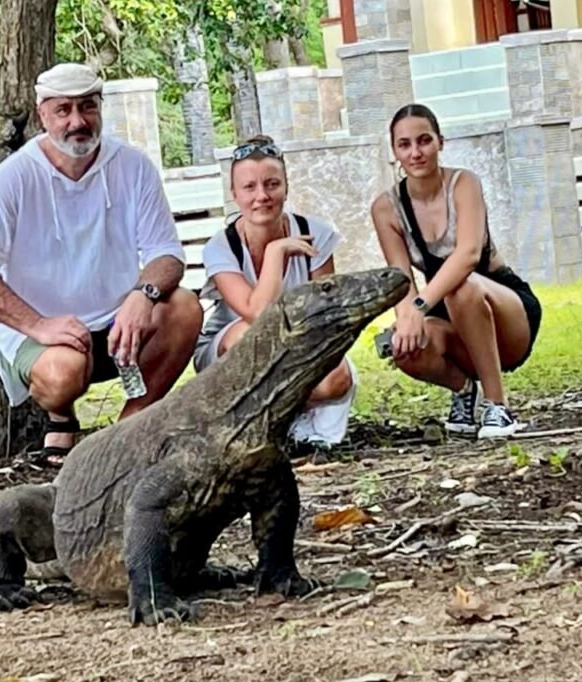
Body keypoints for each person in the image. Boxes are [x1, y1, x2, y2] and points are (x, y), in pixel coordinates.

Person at [0, 62, 202, 463]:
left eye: (88, 107)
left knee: (185, 308)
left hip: (120, 327)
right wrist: (38, 325)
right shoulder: (13, 178)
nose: (77, 121)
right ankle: (62, 420)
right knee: (63, 371)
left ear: (100, 108)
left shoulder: (132, 167)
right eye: (63, 110)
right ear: (41, 115)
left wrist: (143, 294)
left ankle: (125, 433)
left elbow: (166, 254)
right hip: (48, 337)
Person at [371, 103, 541, 439]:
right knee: (403, 345)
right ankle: (463, 391)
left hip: (503, 310)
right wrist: (406, 318)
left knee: (461, 286)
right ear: (394, 152)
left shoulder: (464, 184)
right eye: (405, 145)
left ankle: (498, 406)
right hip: (449, 316)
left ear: (440, 142)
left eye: (424, 141)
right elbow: (400, 278)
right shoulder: (386, 208)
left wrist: (419, 307)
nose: (416, 152)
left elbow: (468, 254)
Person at [194, 135, 355, 447]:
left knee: (337, 377)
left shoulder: (316, 234)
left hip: (298, 342)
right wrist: (275, 252)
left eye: (271, 184)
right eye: (249, 187)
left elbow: (322, 315)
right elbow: (257, 314)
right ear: (234, 194)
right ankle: (256, 427)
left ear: (286, 186)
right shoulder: (221, 246)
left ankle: (291, 421)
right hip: (230, 353)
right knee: (247, 336)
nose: (262, 196)